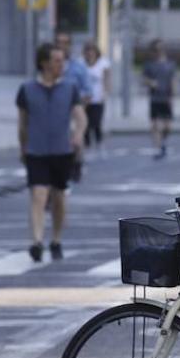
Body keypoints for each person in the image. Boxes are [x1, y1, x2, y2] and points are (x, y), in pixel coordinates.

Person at [16, 43, 86, 262]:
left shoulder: (70, 87)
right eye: (56, 60)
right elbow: (22, 124)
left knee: (58, 198)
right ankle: (36, 241)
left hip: (62, 151)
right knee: (38, 195)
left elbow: (80, 116)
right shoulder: (27, 89)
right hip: (36, 151)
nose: (61, 64)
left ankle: (56, 239)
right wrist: (23, 147)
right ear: (44, 63)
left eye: (62, 60)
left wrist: (78, 134)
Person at [54, 31, 93, 182]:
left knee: (76, 137)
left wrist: (80, 106)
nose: (61, 46)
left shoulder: (78, 67)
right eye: (58, 42)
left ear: (69, 45)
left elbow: (88, 91)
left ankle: (77, 163)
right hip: (54, 108)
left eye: (65, 43)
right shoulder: (51, 64)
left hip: (74, 106)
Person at [142, 40, 176, 159]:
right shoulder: (149, 64)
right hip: (155, 98)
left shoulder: (170, 64)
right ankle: (157, 148)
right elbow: (144, 79)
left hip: (166, 98)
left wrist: (172, 96)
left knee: (168, 127)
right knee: (155, 124)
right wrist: (150, 83)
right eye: (155, 50)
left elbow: (173, 80)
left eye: (160, 49)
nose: (158, 52)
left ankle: (163, 142)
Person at [82, 41, 111, 155]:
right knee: (86, 123)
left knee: (96, 122)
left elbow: (107, 78)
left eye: (92, 50)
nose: (90, 53)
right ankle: (87, 145)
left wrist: (105, 92)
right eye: (88, 51)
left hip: (98, 97)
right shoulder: (81, 63)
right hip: (84, 98)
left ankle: (99, 142)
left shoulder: (103, 63)